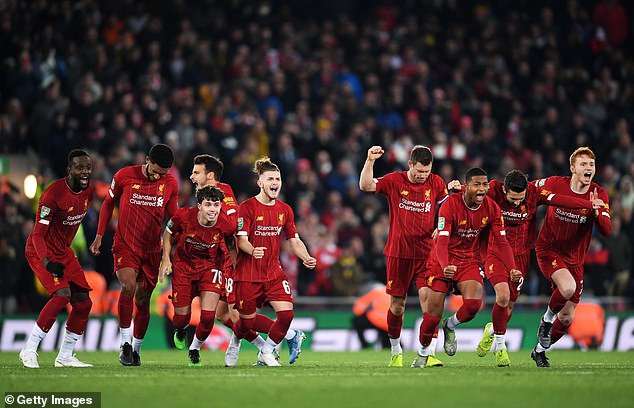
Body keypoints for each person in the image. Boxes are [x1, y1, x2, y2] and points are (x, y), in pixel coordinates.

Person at [474, 170, 595, 363]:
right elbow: (471, 192)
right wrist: (453, 189)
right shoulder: (493, 190)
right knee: (503, 296)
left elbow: (560, 200)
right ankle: (500, 347)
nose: (516, 203)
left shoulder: (534, 193)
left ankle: (493, 328)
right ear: (504, 190)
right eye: (513, 199)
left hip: (521, 255)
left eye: (520, 199)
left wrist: (589, 205)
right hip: (495, 251)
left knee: (510, 305)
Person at [359, 145, 459, 368]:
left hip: (426, 254)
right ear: (410, 165)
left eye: (427, 172)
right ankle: (396, 351)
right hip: (399, 253)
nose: (423, 176)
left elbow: (447, 208)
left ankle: (427, 352)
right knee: (397, 306)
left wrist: (441, 223)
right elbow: (365, 185)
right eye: (419, 171)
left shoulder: (436, 183)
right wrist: (369, 161)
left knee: (431, 304)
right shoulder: (395, 180)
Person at [414, 167, 519, 368]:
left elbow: (502, 242)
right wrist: (445, 266)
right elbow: (442, 242)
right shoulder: (450, 206)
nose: (482, 189)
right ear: (467, 187)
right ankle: (422, 353)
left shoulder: (492, 208)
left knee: (472, 306)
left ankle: (450, 325)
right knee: (432, 314)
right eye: (477, 185)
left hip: (469, 260)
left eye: (485, 184)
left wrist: (511, 268)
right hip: (442, 260)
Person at [89, 144, 179, 366]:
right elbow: (108, 204)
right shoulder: (124, 175)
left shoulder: (170, 183)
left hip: (151, 250)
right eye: (155, 170)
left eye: (163, 173)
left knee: (143, 300)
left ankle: (136, 350)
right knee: (128, 286)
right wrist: (100, 235)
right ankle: (125, 344)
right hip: (126, 245)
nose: (158, 176)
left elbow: (174, 217)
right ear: (147, 160)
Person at [187, 154, 279, 366]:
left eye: (196, 172)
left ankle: (285, 335)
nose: (192, 177)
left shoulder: (223, 193)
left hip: (232, 261)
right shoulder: (206, 196)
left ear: (209, 176)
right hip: (221, 261)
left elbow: (234, 225)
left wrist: (238, 262)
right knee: (222, 314)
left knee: (238, 316)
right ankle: (263, 346)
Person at [232, 157, 316, 366]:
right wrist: (253, 251)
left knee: (286, 315)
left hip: (272, 271)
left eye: (277, 179)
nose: (275, 182)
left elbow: (294, 240)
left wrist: (305, 257)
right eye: (270, 178)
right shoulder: (247, 207)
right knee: (246, 323)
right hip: (248, 272)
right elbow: (241, 240)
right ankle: (237, 340)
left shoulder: (285, 210)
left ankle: (267, 351)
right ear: (260, 183)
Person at [531, 147, 610, 367]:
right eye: (583, 164)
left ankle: (539, 350)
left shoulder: (599, 194)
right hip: (549, 250)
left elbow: (607, 230)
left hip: (576, 260)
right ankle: (546, 321)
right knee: (567, 288)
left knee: (566, 318)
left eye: (591, 165)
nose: (588, 168)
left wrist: (596, 213)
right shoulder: (556, 183)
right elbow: (526, 188)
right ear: (572, 168)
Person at [20, 150, 94, 368]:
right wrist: (46, 262)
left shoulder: (88, 191)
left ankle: (65, 356)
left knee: (83, 303)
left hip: (64, 251)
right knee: (62, 295)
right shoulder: (52, 195)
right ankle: (29, 349)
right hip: (39, 250)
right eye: (80, 168)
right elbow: (37, 235)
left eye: (88, 168)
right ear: (69, 169)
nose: (85, 172)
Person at [159, 186, 234, 366]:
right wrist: (166, 259)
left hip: (211, 268)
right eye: (208, 204)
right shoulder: (183, 216)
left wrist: (235, 269)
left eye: (216, 205)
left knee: (208, 317)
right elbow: (168, 234)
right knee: (181, 318)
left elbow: (231, 246)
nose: (213, 209)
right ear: (199, 206)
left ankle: (194, 349)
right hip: (184, 268)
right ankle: (180, 330)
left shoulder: (226, 223)